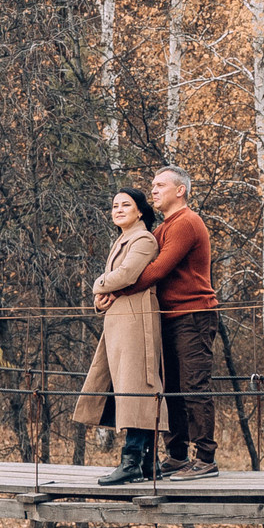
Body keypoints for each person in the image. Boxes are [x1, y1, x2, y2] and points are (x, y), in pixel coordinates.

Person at [100, 166, 218, 479]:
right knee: (169, 388)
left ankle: (205, 460)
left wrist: (115, 291)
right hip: (167, 316)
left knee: (194, 387)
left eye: (160, 185)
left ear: (180, 190)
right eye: (152, 185)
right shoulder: (162, 229)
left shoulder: (186, 222)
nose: (153, 190)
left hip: (193, 315)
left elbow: (155, 271)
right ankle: (177, 456)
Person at [76, 190, 168, 485]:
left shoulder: (143, 239)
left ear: (140, 211)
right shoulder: (122, 240)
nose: (118, 210)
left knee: (138, 388)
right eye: (114, 205)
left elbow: (127, 275)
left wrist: (97, 285)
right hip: (119, 324)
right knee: (127, 388)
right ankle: (148, 463)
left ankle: (132, 462)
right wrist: (100, 301)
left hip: (135, 323)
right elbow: (115, 286)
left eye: (125, 205)